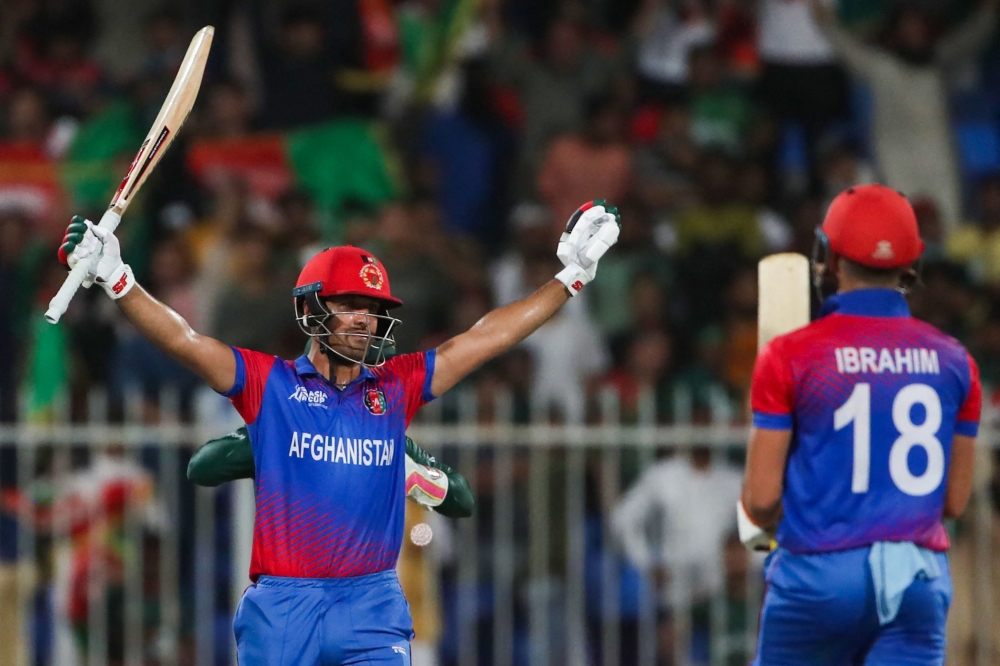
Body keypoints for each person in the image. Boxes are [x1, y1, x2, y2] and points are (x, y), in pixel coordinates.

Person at [57, 199, 621, 665]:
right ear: (311, 310)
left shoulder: (394, 385)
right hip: (284, 607)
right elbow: (184, 340)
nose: (365, 320)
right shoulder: (269, 386)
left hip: (372, 604)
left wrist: (570, 279)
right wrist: (118, 279)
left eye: (373, 309)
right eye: (350, 305)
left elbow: (484, 338)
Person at [739, 184, 981, 665]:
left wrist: (773, 513)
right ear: (913, 264)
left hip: (818, 583)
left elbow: (762, 501)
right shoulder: (956, 361)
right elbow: (953, 501)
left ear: (828, 258)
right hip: (917, 582)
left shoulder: (792, 356)